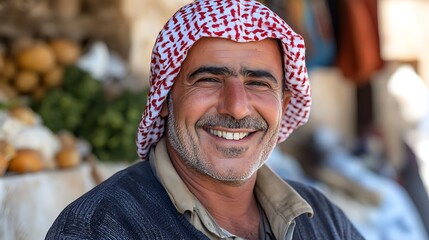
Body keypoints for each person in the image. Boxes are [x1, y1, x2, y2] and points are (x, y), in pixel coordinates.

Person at [46, 0, 364, 239]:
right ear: (166, 99)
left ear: (283, 102)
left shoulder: (322, 219)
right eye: (209, 80)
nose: (237, 108)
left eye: (258, 83)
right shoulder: (98, 228)